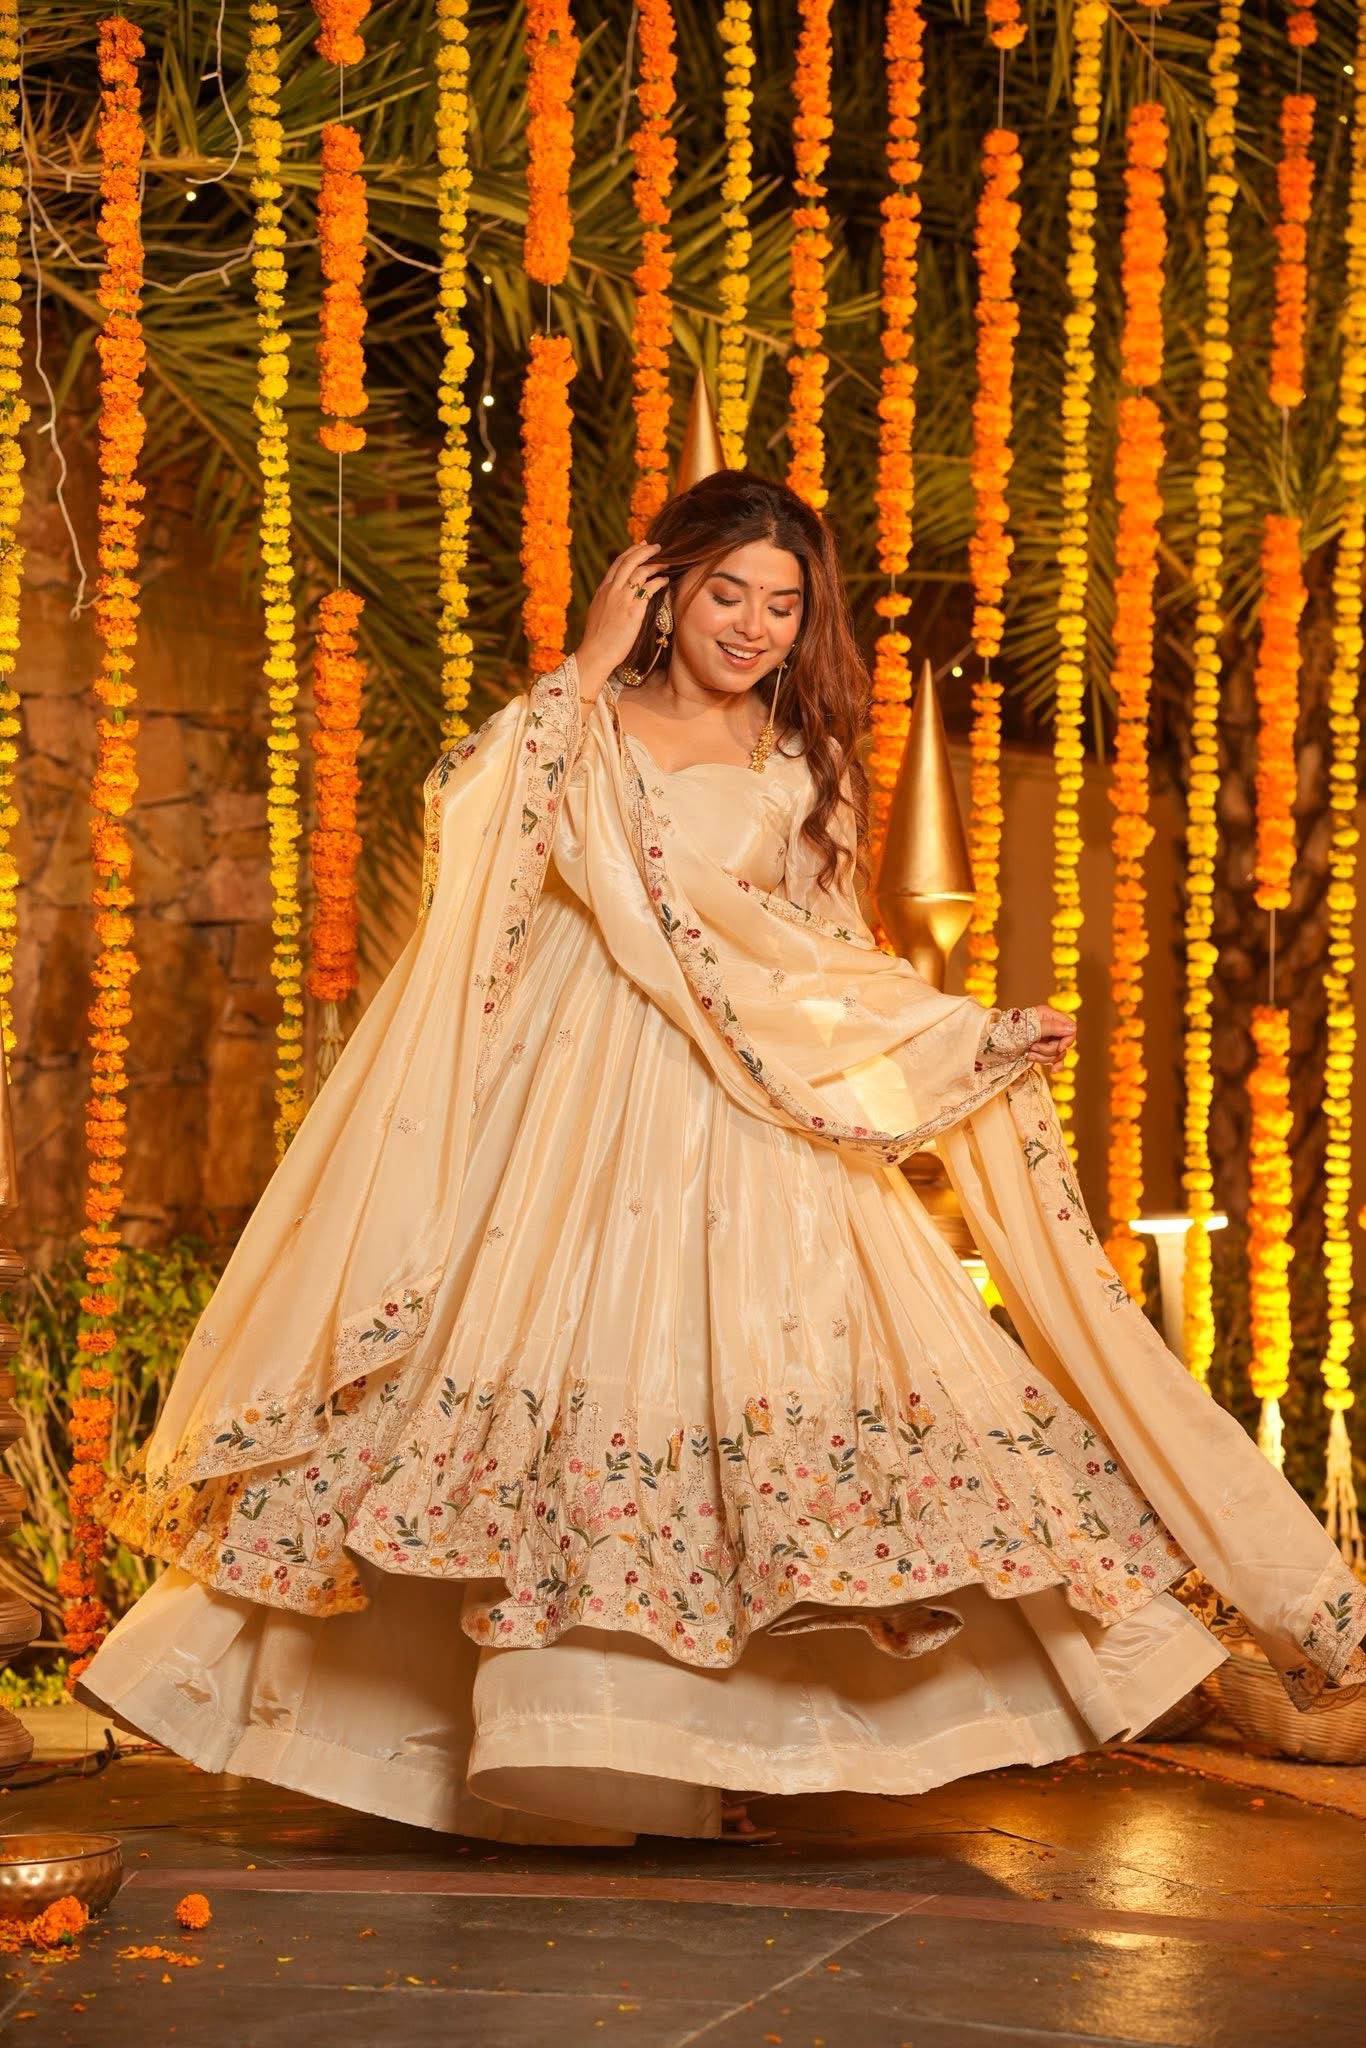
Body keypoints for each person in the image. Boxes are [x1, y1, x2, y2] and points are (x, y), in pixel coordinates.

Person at [77, 469, 1365, 1847]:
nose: (750, 626)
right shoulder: (575, 728)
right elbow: (473, 837)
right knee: (523, 1381)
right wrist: (578, 664)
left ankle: (726, 1750)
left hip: (741, 1122)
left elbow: (822, 959)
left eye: (781, 604)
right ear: (664, 587)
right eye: (725, 593)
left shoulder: (794, 769)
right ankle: (542, 1748)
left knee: (754, 1401)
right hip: (559, 1120)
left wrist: (956, 1033)